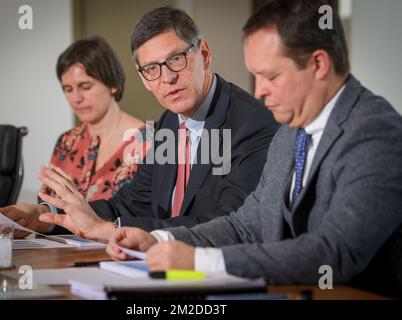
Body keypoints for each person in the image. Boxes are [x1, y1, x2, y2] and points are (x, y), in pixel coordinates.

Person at [106, 0, 402, 297]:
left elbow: (334, 252)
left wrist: (201, 260)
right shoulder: (291, 131)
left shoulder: (375, 132)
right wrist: (160, 239)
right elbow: (246, 225)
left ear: (318, 65)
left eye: (271, 76)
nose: (259, 90)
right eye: (256, 76)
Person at [0, 7, 278, 242]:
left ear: (204, 54)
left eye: (175, 60)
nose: (166, 79)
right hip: (157, 267)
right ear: (143, 79)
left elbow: (226, 224)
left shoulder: (253, 124)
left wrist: (113, 230)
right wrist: (44, 217)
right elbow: (128, 203)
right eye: (152, 69)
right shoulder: (169, 122)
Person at [45, 36, 149, 202]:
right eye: (68, 89)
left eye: (85, 86)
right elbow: (47, 203)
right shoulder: (66, 142)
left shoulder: (148, 142)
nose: (76, 98)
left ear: (113, 84)